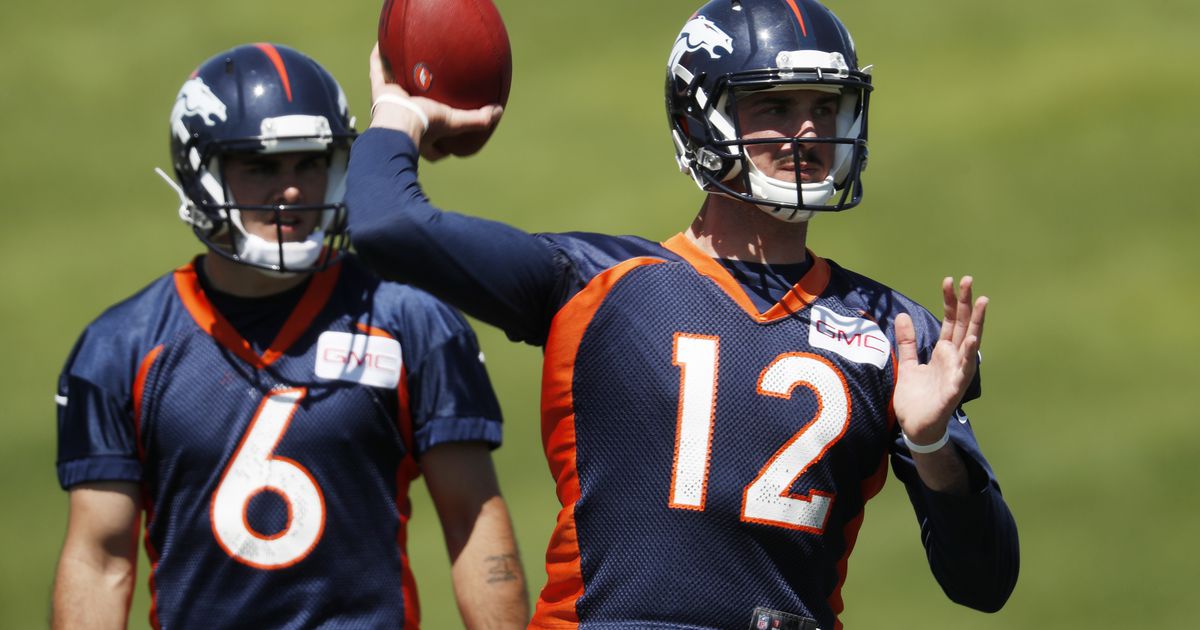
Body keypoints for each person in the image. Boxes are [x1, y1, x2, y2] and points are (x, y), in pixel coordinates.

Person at [347, 0, 1019, 627]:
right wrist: (399, 115)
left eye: (827, 105)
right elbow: (385, 226)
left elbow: (984, 582)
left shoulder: (893, 333)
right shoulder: (598, 282)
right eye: (777, 105)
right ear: (702, 120)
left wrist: (933, 446)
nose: (809, 130)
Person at [51, 43, 527, 629]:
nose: (294, 190)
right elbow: (100, 561)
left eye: (308, 162)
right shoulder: (122, 349)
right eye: (262, 166)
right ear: (202, 173)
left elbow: (472, 520)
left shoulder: (412, 322)